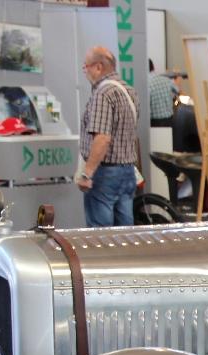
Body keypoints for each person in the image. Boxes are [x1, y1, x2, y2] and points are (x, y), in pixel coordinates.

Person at [78, 46, 139, 227]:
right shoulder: (129, 91)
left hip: (105, 174)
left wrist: (87, 174)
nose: (84, 71)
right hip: (128, 171)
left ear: (98, 67)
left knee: (100, 235)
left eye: (86, 66)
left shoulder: (103, 94)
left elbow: (102, 138)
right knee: (124, 233)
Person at [148, 58, 178, 126]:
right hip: (169, 119)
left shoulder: (146, 84)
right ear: (153, 67)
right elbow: (177, 91)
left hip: (154, 122)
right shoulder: (166, 79)